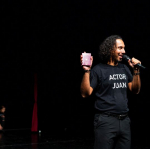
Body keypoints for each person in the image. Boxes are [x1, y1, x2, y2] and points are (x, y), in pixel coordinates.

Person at [80, 35, 141, 149]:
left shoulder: (124, 68)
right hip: (105, 121)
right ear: (110, 49)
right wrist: (87, 71)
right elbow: (85, 93)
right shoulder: (99, 70)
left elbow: (135, 90)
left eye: (123, 48)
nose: (123, 51)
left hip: (124, 121)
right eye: (120, 48)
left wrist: (136, 71)